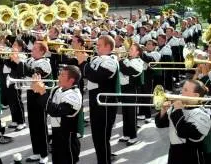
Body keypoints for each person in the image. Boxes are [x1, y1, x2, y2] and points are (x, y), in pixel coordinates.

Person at [76, 35, 119, 163]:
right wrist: (80, 57)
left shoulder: (110, 61)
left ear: (107, 47)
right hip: (96, 102)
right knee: (97, 137)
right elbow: (85, 72)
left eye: (99, 45)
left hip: (105, 103)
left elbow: (96, 76)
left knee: (102, 137)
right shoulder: (97, 59)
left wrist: (83, 62)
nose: (96, 47)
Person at [31, 65, 82, 164]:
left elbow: (55, 111)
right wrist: (36, 90)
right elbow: (45, 106)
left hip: (68, 139)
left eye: (62, 75)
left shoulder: (74, 96)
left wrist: (42, 91)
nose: (58, 76)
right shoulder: (57, 89)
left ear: (71, 80)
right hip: (56, 135)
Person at [155, 79, 211, 164]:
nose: (181, 92)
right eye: (182, 89)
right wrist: (163, 110)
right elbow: (160, 124)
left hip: (191, 156)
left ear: (196, 95)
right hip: (173, 152)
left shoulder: (203, 115)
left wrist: (178, 110)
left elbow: (183, 132)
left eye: (185, 90)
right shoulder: (178, 107)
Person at [12, 41, 51, 163]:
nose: (31, 50)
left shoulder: (45, 63)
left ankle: (44, 155)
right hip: (30, 92)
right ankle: (37, 152)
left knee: (41, 124)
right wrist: (13, 59)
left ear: (42, 51)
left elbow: (34, 73)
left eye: (34, 49)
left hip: (40, 94)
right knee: (33, 124)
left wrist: (19, 62)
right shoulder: (30, 60)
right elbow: (20, 72)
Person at [118, 43, 144, 145]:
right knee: (125, 112)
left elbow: (128, 71)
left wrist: (120, 61)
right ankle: (126, 134)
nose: (129, 50)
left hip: (132, 89)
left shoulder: (138, 61)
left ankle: (133, 136)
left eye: (132, 49)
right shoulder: (128, 60)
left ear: (137, 52)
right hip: (125, 88)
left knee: (131, 113)